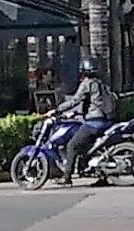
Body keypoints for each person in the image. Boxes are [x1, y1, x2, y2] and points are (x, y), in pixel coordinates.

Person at [47, 57, 116, 187]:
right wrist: (76, 113)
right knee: (89, 148)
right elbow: (94, 103)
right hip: (105, 120)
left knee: (72, 145)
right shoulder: (100, 83)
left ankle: (66, 177)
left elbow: (75, 100)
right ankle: (101, 176)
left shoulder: (87, 83)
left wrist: (56, 109)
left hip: (94, 122)